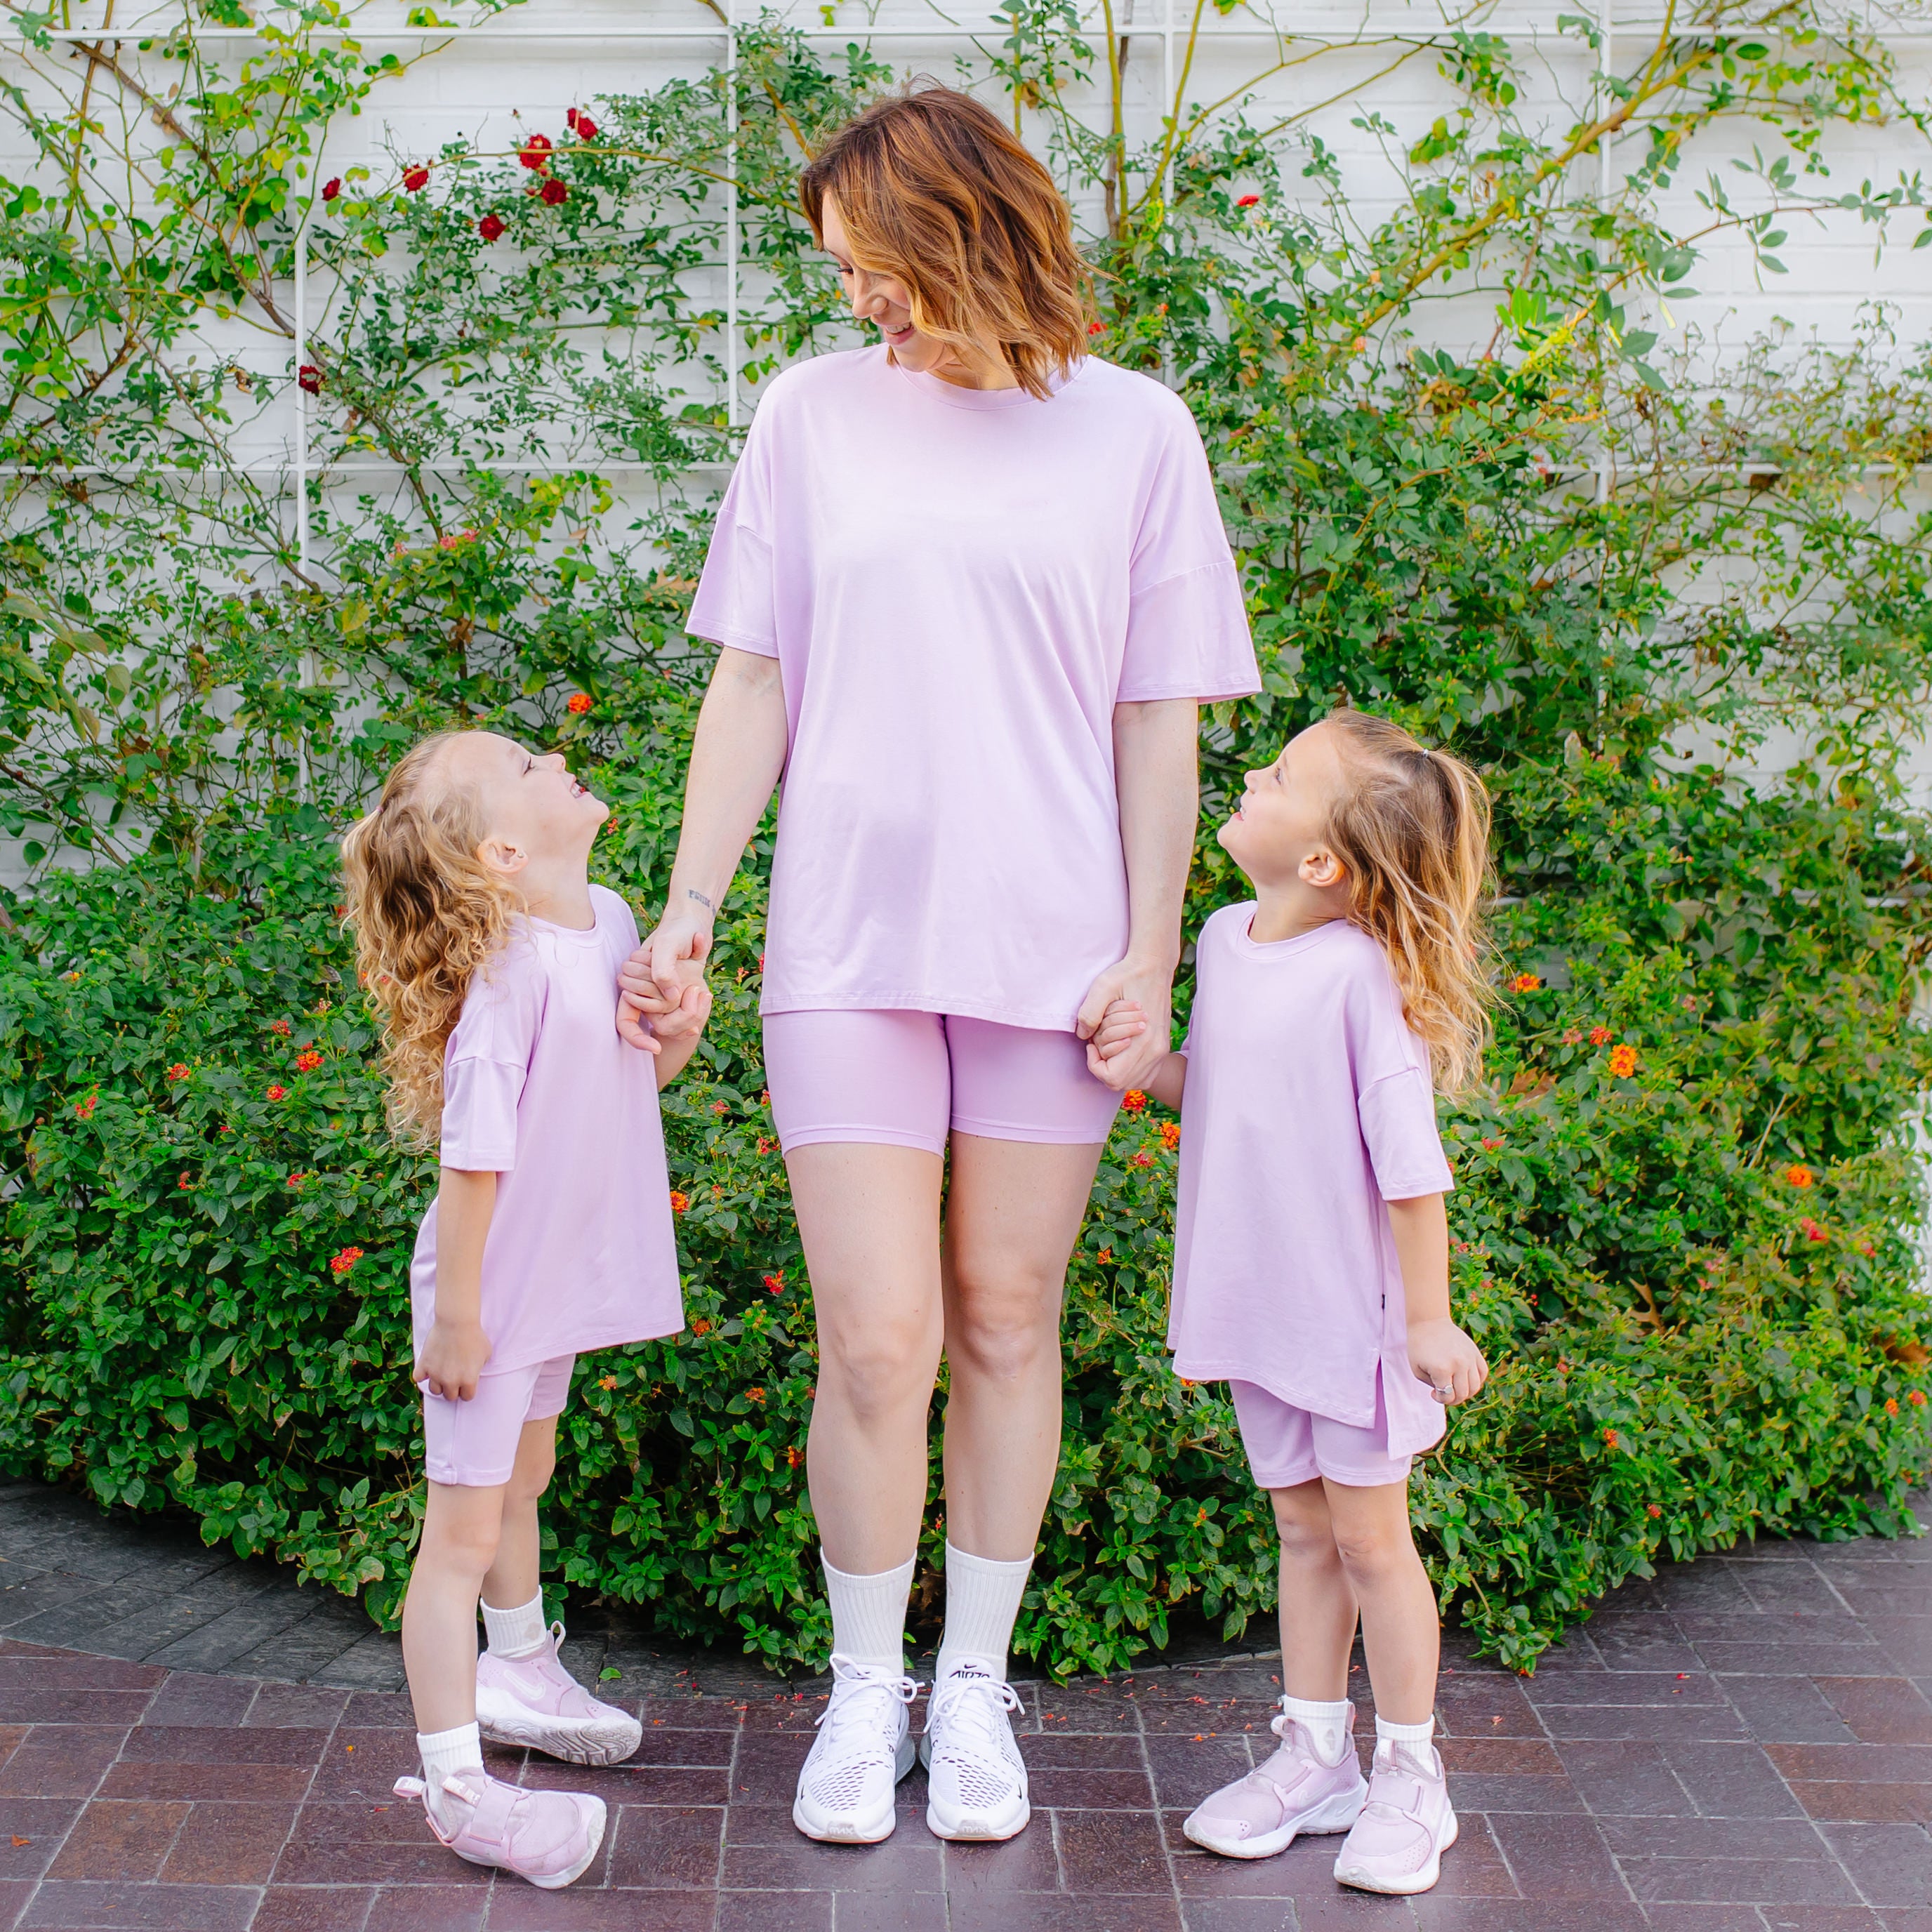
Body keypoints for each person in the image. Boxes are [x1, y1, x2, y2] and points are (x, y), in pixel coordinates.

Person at [618, 84, 1258, 1845]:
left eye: (869, 265)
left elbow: (1155, 719)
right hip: (843, 947)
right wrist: (690, 904)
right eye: (835, 274)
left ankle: (971, 1685)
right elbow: (752, 677)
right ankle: (861, 1692)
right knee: (878, 1333)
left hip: (1056, 962)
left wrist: (1148, 948)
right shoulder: (810, 417)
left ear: (956, 227)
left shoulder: (1135, 434)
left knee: (1002, 1315)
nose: (854, 302)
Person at [1092, 708, 1492, 1896]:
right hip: (1258, 1309)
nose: (1248, 779)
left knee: (1373, 1540)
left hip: (1355, 1321)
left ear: (1322, 861)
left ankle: (1413, 1775)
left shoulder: (1364, 984)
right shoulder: (1223, 939)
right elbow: (1217, 1084)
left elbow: (1414, 1179)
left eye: (1274, 778)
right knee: (1305, 1534)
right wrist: (1141, 1073)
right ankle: (1316, 1754)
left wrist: (1428, 1321)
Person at [341, 729, 710, 1890]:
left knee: (523, 1487)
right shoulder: (506, 974)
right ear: (503, 848)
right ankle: (457, 1787)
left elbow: (614, 1085)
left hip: (548, 1287)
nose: (555, 755)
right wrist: (457, 1316)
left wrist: (677, 1039)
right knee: (457, 1537)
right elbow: (471, 1161)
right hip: (490, 1295)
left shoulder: (601, 917)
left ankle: (520, 1667)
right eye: (525, 764)